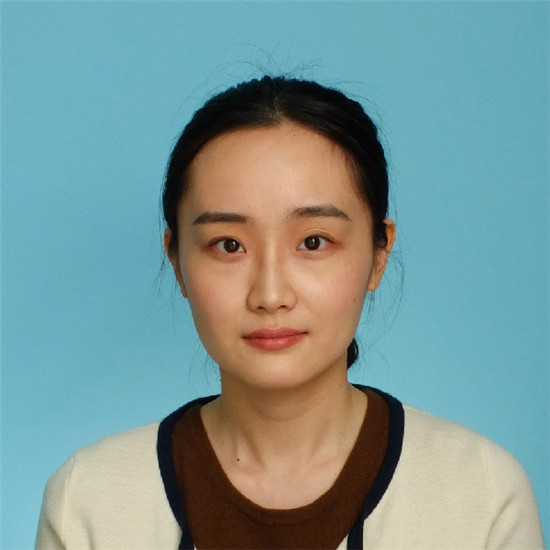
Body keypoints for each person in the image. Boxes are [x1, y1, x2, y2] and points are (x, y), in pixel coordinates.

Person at [36, 76, 544, 549]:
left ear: (378, 254)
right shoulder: (90, 500)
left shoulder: (481, 492)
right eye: (229, 245)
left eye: (313, 242)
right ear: (177, 261)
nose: (270, 293)